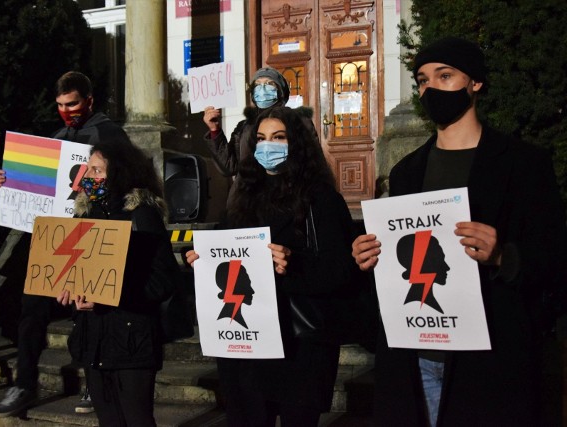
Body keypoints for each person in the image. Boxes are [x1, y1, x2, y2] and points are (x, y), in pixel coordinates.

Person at [352, 37, 567, 426]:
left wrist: (504, 255)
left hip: (490, 364)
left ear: (475, 83)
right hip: (414, 360)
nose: (430, 87)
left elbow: (554, 257)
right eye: (421, 80)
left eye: (445, 75)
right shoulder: (406, 173)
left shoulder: (524, 164)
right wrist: (369, 258)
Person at [187, 106, 358, 426]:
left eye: (279, 137)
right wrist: (204, 261)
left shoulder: (322, 200)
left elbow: (342, 271)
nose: (268, 146)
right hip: (246, 346)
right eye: (261, 139)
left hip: (300, 346)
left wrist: (294, 264)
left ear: (297, 143)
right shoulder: (241, 201)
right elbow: (226, 258)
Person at [0, 71, 132, 417]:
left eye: (73, 103)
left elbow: (126, 181)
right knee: (31, 308)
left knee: (85, 311)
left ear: (89, 101)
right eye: (60, 105)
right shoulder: (55, 138)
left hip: (91, 235)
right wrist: (10, 184)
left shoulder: (112, 135)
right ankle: (24, 384)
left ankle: (92, 384)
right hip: (51, 238)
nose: (67, 110)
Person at [57, 139, 179, 426]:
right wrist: (67, 289)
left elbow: (164, 280)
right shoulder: (83, 216)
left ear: (120, 173)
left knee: (136, 420)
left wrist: (112, 296)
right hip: (93, 339)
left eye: (97, 171)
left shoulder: (142, 216)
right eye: (88, 171)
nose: (89, 177)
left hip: (131, 340)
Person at [203, 67, 317, 178]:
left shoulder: (300, 122)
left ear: (281, 90)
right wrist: (214, 130)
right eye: (257, 85)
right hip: (250, 193)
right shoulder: (243, 127)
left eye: (269, 84)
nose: (262, 88)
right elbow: (228, 167)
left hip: (290, 192)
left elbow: (313, 164)